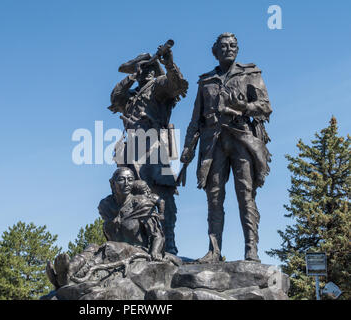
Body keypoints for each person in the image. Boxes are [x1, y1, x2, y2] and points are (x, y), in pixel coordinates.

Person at [181, 33, 272, 263]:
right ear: (215, 51)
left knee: (245, 195)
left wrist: (243, 107)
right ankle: (214, 250)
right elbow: (195, 120)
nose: (228, 49)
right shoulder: (206, 81)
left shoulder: (250, 73)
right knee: (214, 198)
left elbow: (265, 107)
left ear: (237, 49)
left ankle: (251, 250)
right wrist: (187, 148)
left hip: (242, 138)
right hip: (213, 143)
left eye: (232, 45)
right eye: (223, 46)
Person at [108, 42, 188, 255]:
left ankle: (168, 243)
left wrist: (169, 63)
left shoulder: (158, 85)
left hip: (154, 147)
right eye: (139, 69)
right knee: (131, 196)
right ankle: (141, 243)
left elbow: (177, 85)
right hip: (132, 149)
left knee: (163, 194)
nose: (142, 72)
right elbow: (115, 98)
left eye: (143, 69)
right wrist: (131, 77)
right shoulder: (133, 95)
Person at [98, 167, 165, 260]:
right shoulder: (105, 206)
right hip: (112, 253)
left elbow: (157, 235)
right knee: (92, 248)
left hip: (137, 255)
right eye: (121, 179)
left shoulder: (141, 203)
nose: (126, 184)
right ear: (112, 183)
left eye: (130, 180)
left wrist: (154, 253)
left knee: (109, 247)